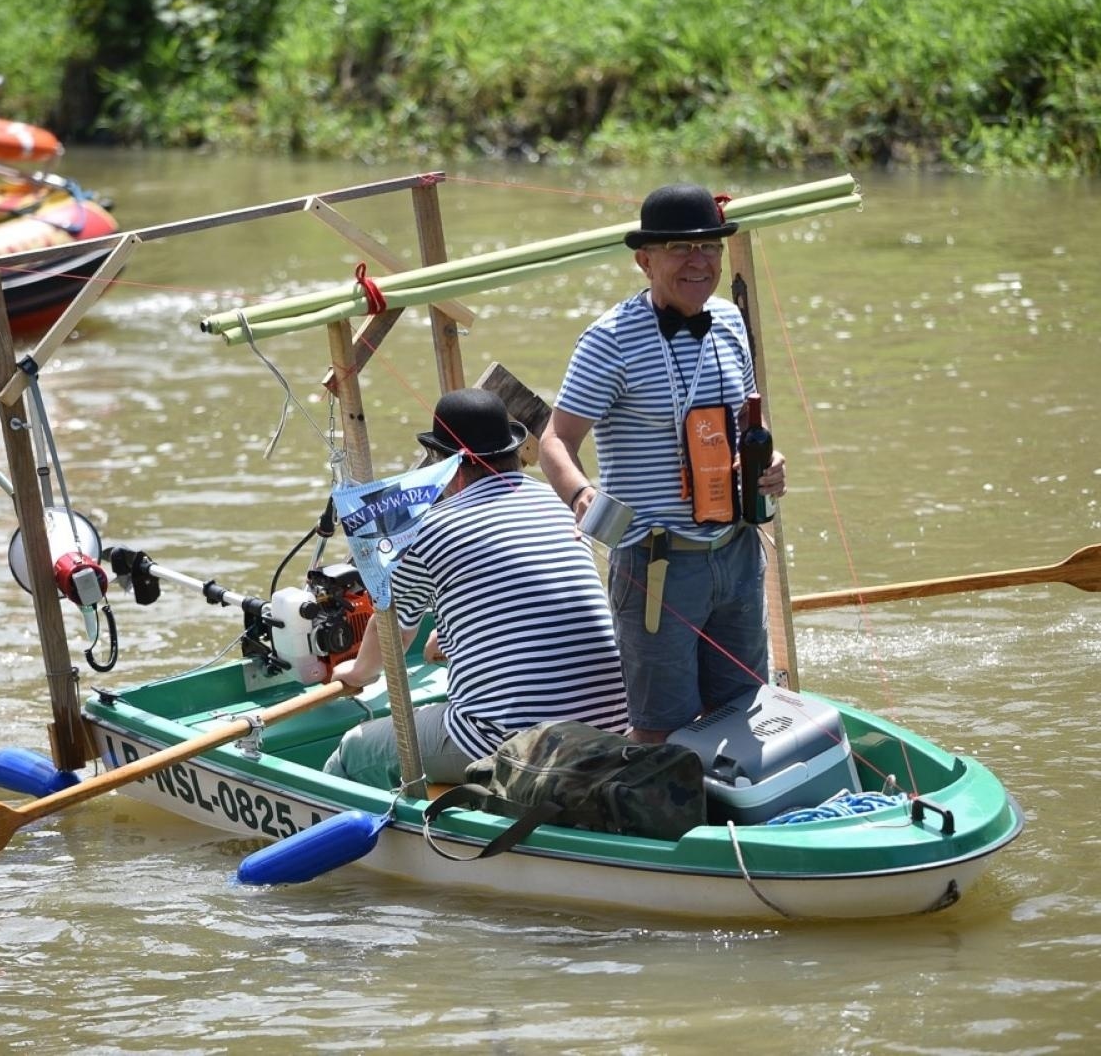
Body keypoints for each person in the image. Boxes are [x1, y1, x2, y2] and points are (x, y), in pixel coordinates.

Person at [539, 182, 787, 744]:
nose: (699, 261)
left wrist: (770, 464)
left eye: (711, 248)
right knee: (660, 727)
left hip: (738, 550)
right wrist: (584, 499)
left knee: (746, 710)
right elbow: (556, 437)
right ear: (644, 259)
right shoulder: (610, 340)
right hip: (657, 564)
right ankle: (667, 823)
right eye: (680, 248)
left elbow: (747, 425)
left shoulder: (727, 322)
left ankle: (739, 822)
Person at [323, 388, 630, 790]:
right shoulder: (558, 503)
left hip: (513, 741)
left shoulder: (426, 529)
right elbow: (524, 599)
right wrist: (449, 635)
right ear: (514, 453)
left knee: (353, 752)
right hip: (612, 723)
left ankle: (361, 847)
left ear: (449, 466)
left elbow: (395, 630)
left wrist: (357, 671)